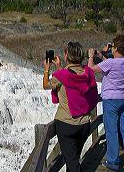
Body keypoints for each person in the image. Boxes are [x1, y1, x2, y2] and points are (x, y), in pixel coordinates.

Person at [43, 42, 99, 172]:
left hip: (66, 124)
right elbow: (70, 79)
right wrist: (59, 68)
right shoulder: (88, 72)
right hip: (84, 124)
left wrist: (47, 69)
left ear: (66, 55)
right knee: (73, 159)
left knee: (73, 163)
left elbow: (46, 85)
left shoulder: (61, 76)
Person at [88, 34, 124, 171]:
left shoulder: (111, 63)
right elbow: (110, 64)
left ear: (115, 48)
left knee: (112, 130)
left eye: (113, 46)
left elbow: (90, 70)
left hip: (112, 100)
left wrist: (91, 57)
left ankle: (113, 161)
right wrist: (102, 56)